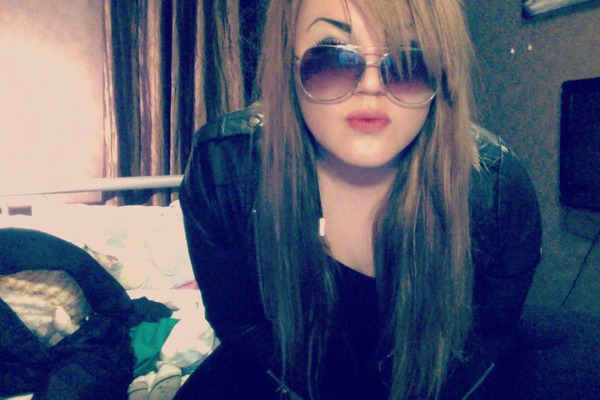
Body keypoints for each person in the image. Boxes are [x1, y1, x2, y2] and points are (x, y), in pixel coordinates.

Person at [176, 0, 542, 399]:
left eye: (408, 61)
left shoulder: (498, 192)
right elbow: (241, 327)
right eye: (332, 56)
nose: (371, 85)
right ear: (287, 63)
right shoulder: (223, 170)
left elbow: (481, 348)